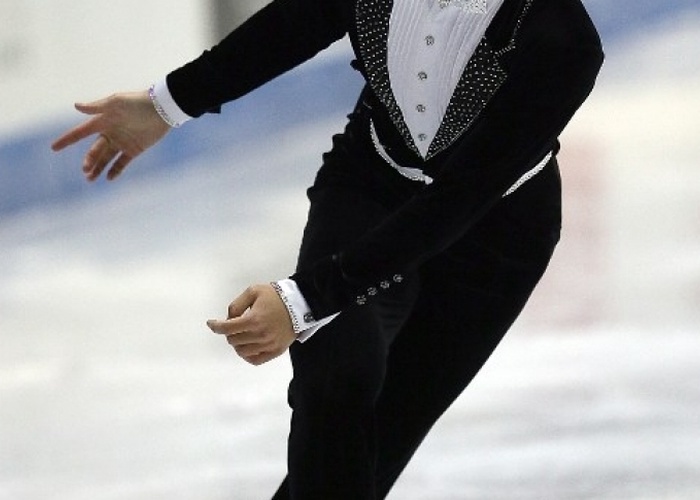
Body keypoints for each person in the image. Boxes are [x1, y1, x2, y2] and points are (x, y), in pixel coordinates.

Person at [52, 0, 603, 497]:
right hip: (370, 186)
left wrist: (305, 300)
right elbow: (294, 23)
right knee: (334, 379)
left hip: (493, 236)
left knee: (386, 429)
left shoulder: (562, 39)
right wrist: (167, 104)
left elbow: (457, 200)